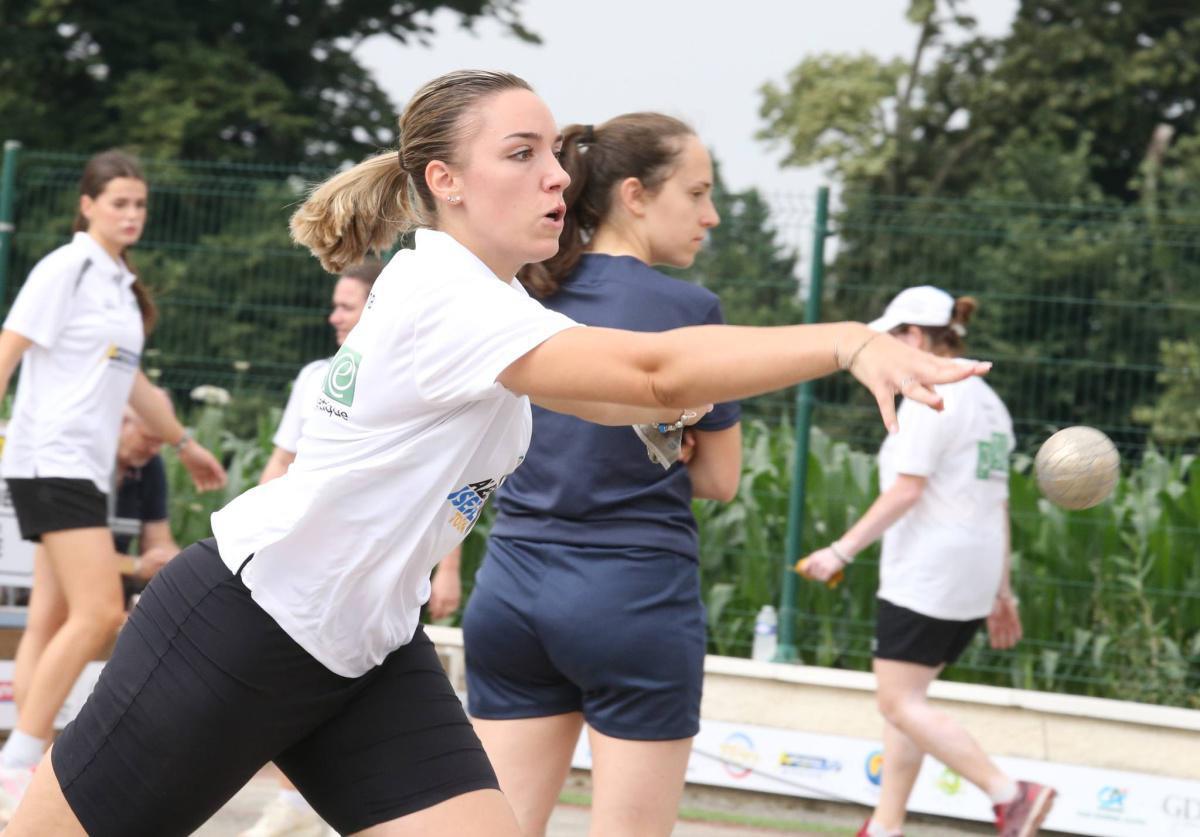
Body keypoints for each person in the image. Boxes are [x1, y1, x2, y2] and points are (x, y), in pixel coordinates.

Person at [6, 71, 986, 837]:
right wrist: (850, 341)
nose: (557, 174)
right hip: (241, 631)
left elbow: (615, 394)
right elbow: (650, 374)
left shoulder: (496, 308)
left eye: (555, 155)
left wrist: (650, 409)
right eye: (521, 154)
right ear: (446, 181)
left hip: (365, 654)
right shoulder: (444, 295)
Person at [462, 112, 742, 837]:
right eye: (698, 192)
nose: (710, 215)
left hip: (510, 592)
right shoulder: (689, 310)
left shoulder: (524, 290)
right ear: (635, 195)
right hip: (633, 597)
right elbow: (721, 479)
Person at [0, 150, 226, 823]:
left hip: (80, 468)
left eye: (140, 204)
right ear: (88, 205)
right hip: (51, 459)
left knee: (50, 616)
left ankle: (17, 755)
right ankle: (19, 766)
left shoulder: (121, 284)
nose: (132, 215)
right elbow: (8, 349)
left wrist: (185, 444)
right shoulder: (66, 268)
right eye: (119, 202)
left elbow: (132, 382)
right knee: (99, 612)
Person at [798, 286, 1055, 837]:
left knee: (897, 701)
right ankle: (885, 825)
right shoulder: (988, 401)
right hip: (974, 574)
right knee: (908, 703)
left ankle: (1011, 795)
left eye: (889, 338)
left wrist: (838, 550)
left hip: (929, 572)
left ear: (913, 338)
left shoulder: (932, 395)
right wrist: (1001, 592)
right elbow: (998, 502)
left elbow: (907, 491)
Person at [245, 259, 460, 837]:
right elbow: (280, 464)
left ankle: (311, 808)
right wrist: (249, 537)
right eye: (335, 304)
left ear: (376, 308)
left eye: (347, 304)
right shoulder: (317, 376)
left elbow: (455, 485)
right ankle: (298, 806)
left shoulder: (414, 374)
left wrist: (449, 569)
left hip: (375, 575)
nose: (334, 314)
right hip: (304, 565)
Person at [111, 389, 182, 602]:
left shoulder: (149, 466)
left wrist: (171, 561)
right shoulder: (82, 464)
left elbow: (158, 538)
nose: (153, 450)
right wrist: (135, 566)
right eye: (148, 439)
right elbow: (74, 553)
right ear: (120, 423)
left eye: (160, 442)